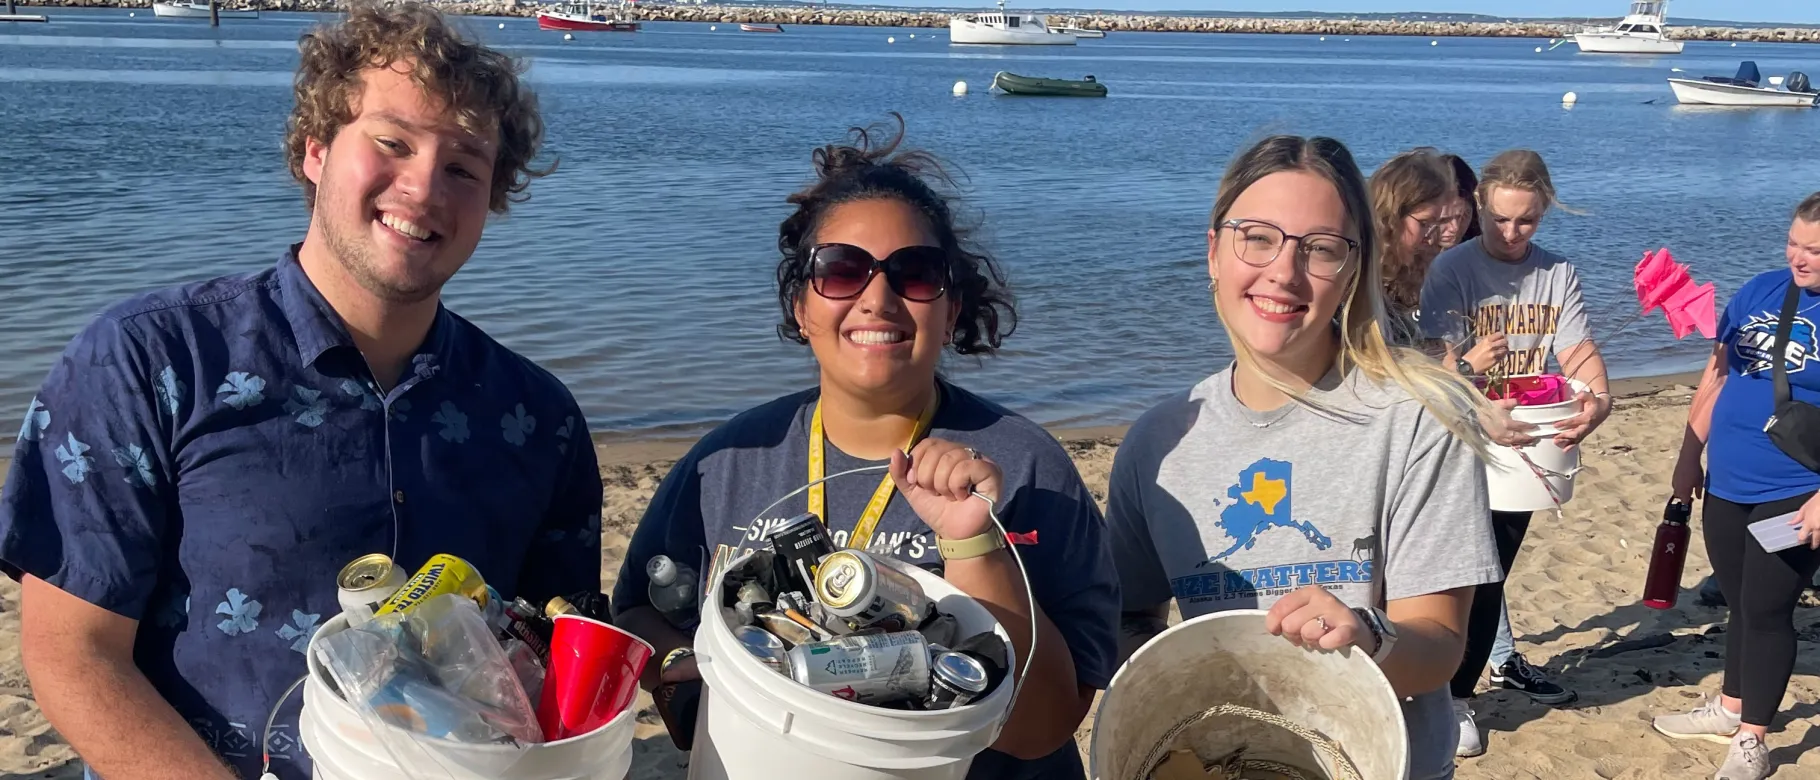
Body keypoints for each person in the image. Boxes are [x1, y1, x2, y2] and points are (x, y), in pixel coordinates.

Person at [0, 5, 602, 779]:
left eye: (463, 166)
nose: (422, 188)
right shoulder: (150, 360)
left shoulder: (538, 419)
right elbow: (73, 653)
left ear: (492, 198)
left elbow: (555, 667)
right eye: (391, 142)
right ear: (316, 150)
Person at [611, 116, 1119, 779]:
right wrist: (688, 670)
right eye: (843, 270)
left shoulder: (1028, 470)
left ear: (953, 306)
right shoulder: (726, 464)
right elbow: (640, 612)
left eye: (914, 273)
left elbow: (1043, 728)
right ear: (801, 304)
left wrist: (973, 544)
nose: (877, 298)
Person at [1107, 135, 1501, 780]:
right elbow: (1131, 620)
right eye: (1257, 237)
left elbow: (1438, 645)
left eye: (1320, 249)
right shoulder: (1157, 442)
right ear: (1214, 251)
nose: (1283, 273)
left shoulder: (1417, 418)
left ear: (1354, 270)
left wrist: (1367, 636)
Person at [1419, 149, 1609, 755]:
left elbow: (1577, 353)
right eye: (1499, 219)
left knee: (1492, 575)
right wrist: (1475, 395)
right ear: (1481, 206)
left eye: (1525, 220)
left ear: (1544, 210)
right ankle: (1441, 695)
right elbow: (1435, 362)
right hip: (1458, 439)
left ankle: (1458, 700)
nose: (1510, 232)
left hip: (1523, 447)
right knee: (1455, 575)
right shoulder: (1451, 268)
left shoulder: (1558, 273)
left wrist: (1598, 401)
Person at [1652, 192, 1820, 780]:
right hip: (1728, 478)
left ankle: (1753, 740)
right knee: (1739, 601)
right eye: (1794, 244)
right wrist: (1687, 455)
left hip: (1798, 484)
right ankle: (1729, 707)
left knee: (1769, 609)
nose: (1800, 259)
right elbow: (1717, 373)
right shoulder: (1761, 290)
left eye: (1815, 251)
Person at [1370, 147, 1457, 343]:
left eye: (1437, 224)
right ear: (1391, 216)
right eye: (1424, 224)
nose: (1431, 237)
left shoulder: (1414, 273)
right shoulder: (1358, 282)